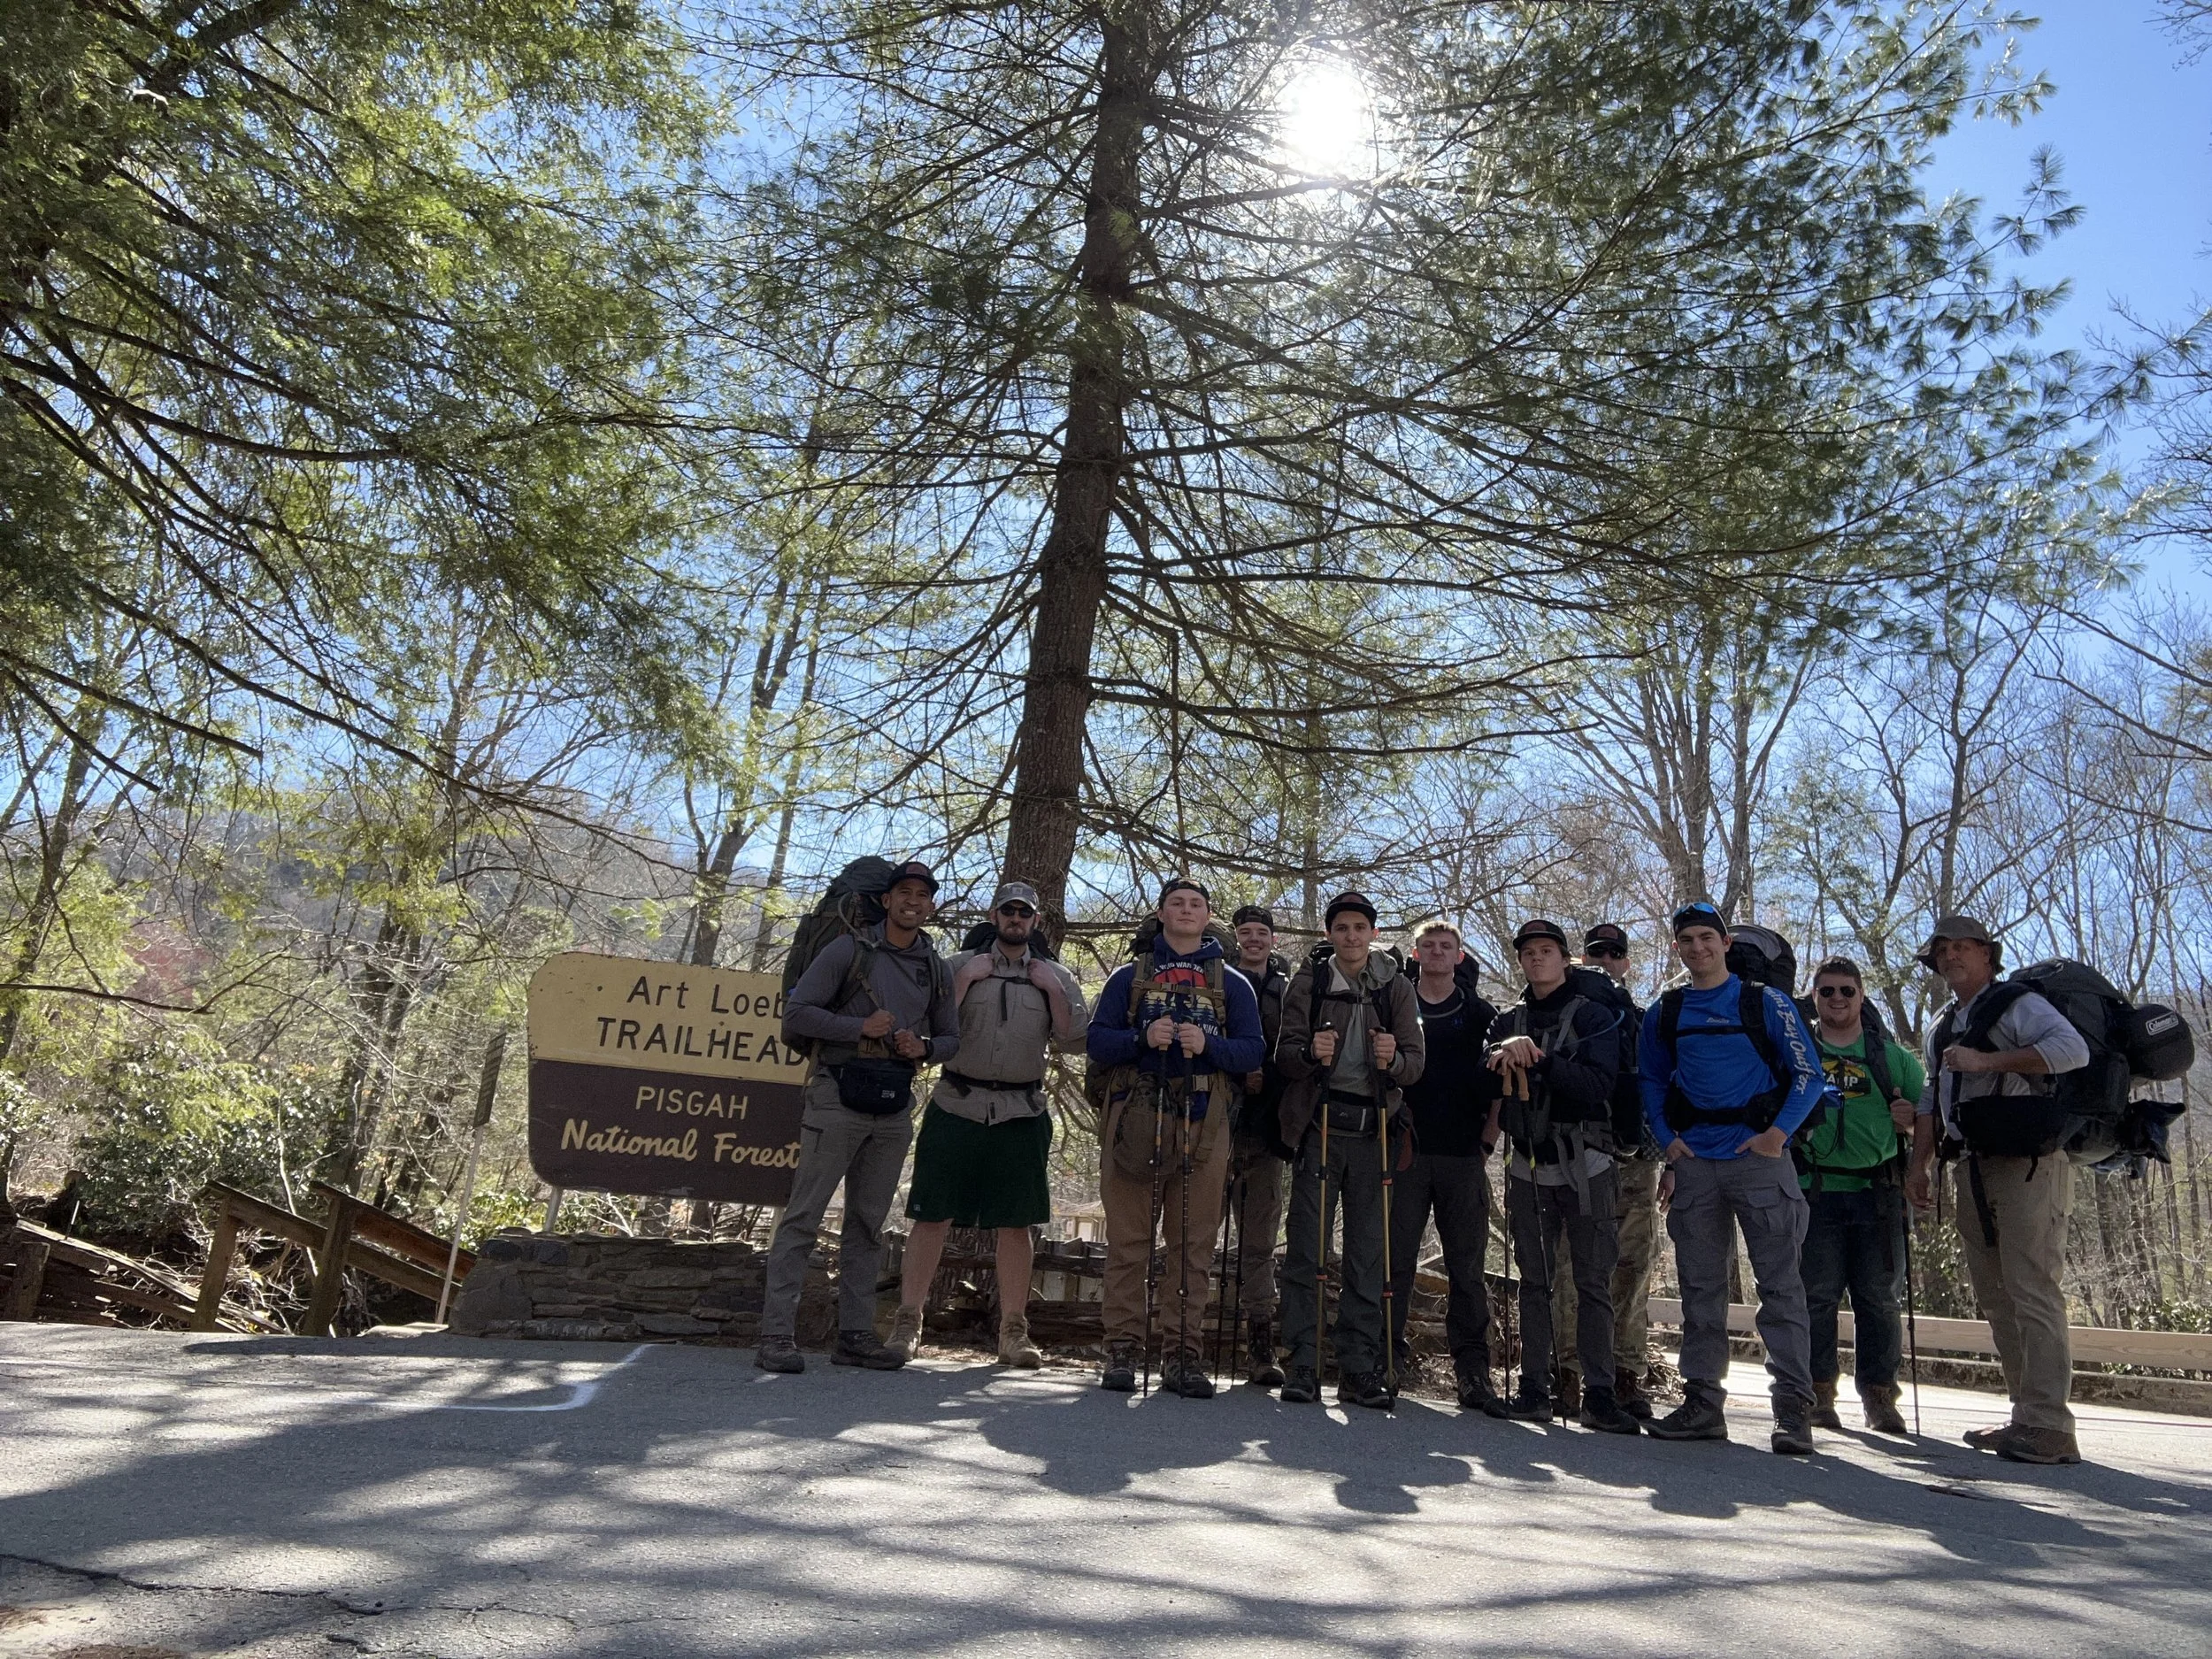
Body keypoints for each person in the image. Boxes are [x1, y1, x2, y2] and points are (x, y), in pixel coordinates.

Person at [1640, 902, 1825, 1454]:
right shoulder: (1665, 1012)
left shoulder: (1763, 1002)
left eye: (1707, 938)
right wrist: (1666, 1140)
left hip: (1760, 1162)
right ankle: (1702, 1405)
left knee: (1781, 1288)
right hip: (1695, 1163)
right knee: (1700, 1288)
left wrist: (1777, 1135)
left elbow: (1808, 1075)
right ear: (1678, 948)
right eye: (1687, 940)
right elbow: (1650, 1080)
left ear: (1724, 943)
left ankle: (1793, 1411)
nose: (1698, 948)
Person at [1904, 915, 2091, 1464]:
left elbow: (2072, 1050)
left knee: (2032, 1289)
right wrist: (1920, 1165)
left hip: (2030, 1164)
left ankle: (2051, 1424)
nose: (1952, 956)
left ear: (1988, 955)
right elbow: (1929, 1099)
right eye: (1943, 950)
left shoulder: (2016, 1004)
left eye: (1964, 947)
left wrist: (1989, 1060)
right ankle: (2025, 1417)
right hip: (1972, 1165)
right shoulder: (1944, 1022)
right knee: (1996, 1294)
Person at [762, 861, 959, 1374]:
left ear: (930, 905)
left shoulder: (934, 966)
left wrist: (927, 1046)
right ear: (887, 901)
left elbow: (953, 1037)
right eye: (904, 893)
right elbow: (797, 1012)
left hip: (894, 1105)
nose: (913, 901)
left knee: (868, 1225)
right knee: (804, 1216)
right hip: (836, 1095)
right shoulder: (850, 949)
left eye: (923, 894)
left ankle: (854, 1335)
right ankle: (776, 1336)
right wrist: (859, 1027)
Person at [887, 881, 1087, 1369]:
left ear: (1035, 921)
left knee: (1016, 1224)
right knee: (931, 1214)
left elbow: (1076, 1040)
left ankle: (1013, 1331)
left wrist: (1051, 991)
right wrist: (964, 981)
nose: (1016, 918)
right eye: (1008, 911)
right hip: (956, 1103)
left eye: (1025, 912)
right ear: (994, 916)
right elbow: (926, 1029)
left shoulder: (1055, 974)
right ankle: (908, 1322)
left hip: (1022, 1112)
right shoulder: (956, 966)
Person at [1087, 878, 1267, 1398]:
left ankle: (1182, 1353)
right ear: (1161, 913)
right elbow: (1098, 1041)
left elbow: (1253, 1052)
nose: (1186, 911)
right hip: (1135, 1117)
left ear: (1208, 916)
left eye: (1196, 905)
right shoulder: (1129, 975)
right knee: (1129, 1239)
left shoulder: (1234, 984)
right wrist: (1141, 1038)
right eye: (1176, 903)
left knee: (1192, 1243)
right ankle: (1121, 1348)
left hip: (1205, 1122)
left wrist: (1207, 1044)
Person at [1275, 891, 1426, 1409]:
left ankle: (1360, 1367)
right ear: (1329, 934)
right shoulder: (1310, 982)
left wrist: (1396, 1062)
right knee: (1307, 1249)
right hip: (1318, 1124)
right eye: (1342, 927)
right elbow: (1285, 1054)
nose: (1352, 936)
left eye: (1360, 927)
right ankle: (1303, 1361)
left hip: (1373, 1131)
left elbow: (1415, 1061)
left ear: (1373, 933)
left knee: (1368, 1254)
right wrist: (1307, 1053)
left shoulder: (1396, 987)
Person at [1486, 918, 1639, 1433]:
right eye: (1528, 952)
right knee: (1534, 1281)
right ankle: (1533, 1389)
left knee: (1592, 1281)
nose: (1536, 959)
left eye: (1546, 950)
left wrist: (1543, 1061)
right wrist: (1500, 1055)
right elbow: (1479, 1071)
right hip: (1528, 1164)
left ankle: (1599, 1393)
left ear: (1565, 957)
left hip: (1588, 1164)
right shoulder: (1507, 1020)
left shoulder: (1596, 1016)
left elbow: (1598, 1086)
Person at [1799, 956, 1924, 1435]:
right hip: (1815, 1190)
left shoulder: (1892, 1058)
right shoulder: (1799, 1050)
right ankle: (1816, 1395)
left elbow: (1927, 1119)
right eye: (1827, 991)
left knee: (1879, 1298)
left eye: (1846, 991)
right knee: (1815, 1296)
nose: (1836, 999)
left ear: (1861, 996)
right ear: (1815, 996)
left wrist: (1910, 1124)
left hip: (1879, 1192)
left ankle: (1879, 1398)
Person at [1552, 921, 1670, 1419]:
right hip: (1574, 1157)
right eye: (1595, 952)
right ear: (1581, 959)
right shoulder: (1563, 1016)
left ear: (1626, 962)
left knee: (1633, 1268)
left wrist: (1670, 1158)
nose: (1605, 959)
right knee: (1568, 1267)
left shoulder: (1643, 1021)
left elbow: (1661, 1089)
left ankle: (1626, 1374)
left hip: (1637, 1162)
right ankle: (1570, 1375)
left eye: (1614, 953)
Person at [1387, 919, 1504, 1414]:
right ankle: (1385, 1360)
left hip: (1463, 1156)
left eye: (1446, 946)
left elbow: (1501, 1082)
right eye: (1428, 946)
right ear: (1415, 954)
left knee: (1467, 1270)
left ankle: (1473, 1374)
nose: (1437, 952)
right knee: (1394, 1264)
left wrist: (1487, 1140)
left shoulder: (1481, 1013)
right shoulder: (1394, 1003)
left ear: (1459, 955)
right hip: (1405, 1154)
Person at [1226, 904, 1293, 1386]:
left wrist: (1264, 1077)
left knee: (1258, 1244)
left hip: (1268, 1131)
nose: (1253, 940)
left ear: (1272, 939)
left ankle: (1260, 1347)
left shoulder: (1291, 992)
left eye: (1261, 933)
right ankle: (1178, 1340)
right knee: (1193, 1237)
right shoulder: (1219, 982)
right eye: (1245, 933)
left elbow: (1296, 1051)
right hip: (1214, 1124)